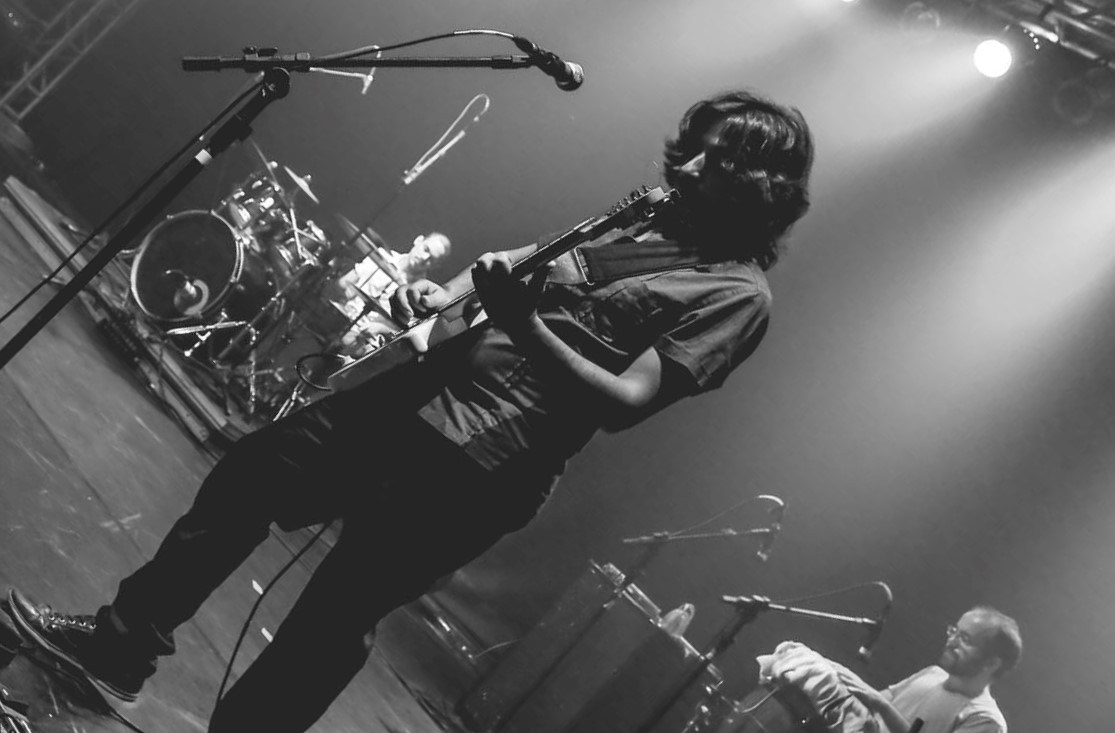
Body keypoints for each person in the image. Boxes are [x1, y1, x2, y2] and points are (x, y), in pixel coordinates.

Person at [5, 89, 815, 732]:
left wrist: (525, 325)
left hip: (478, 464)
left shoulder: (735, 295)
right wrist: (447, 293)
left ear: (761, 187)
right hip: (414, 395)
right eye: (695, 146)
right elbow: (515, 264)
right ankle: (119, 646)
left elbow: (628, 400)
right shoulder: (641, 219)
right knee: (250, 475)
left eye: (719, 158)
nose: (692, 164)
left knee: (331, 617)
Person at [835, 606, 1022, 733]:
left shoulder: (986, 720)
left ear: (992, 663)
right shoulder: (932, 674)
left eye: (965, 639)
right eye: (954, 632)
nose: (951, 641)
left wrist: (882, 707)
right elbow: (872, 701)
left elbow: (878, 702)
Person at [329, 230, 452, 353]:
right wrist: (346, 294)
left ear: (435, 266)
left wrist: (382, 328)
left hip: (363, 341)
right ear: (418, 240)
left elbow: (406, 335)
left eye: (431, 259)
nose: (424, 258)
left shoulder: (420, 294)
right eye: (426, 249)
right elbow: (343, 283)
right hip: (341, 317)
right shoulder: (381, 257)